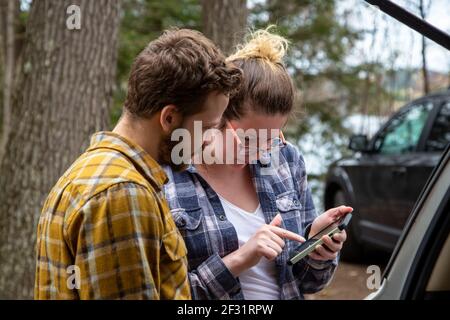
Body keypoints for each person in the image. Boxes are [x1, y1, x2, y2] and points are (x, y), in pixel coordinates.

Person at [34, 28, 242, 300]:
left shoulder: (97, 172)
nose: (207, 141)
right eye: (207, 128)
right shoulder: (123, 193)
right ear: (169, 119)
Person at [163, 28, 353, 300]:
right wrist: (240, 259)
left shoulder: (287, 160)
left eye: (271, 140)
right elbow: (165, 294)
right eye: (248, 140)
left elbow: (309, 283)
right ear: (218, 116)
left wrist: (316, 247)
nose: (260, 153)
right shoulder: (169, 176)